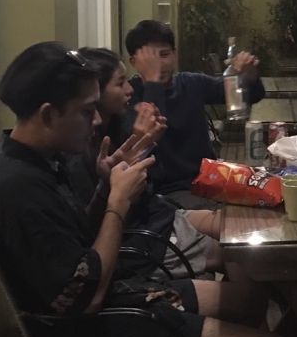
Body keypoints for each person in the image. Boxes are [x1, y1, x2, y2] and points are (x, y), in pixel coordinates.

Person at [0, 42, 293, 337]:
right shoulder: (17, 191)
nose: (97, 120)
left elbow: (79, 242)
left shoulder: (37, 162)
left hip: (120, 300)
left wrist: (105, 186)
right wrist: (117, 203)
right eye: (87, 111)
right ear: (48, 114)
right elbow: (86, 293)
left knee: (247, 297)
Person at [68, 47, 245, 282]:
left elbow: (152, 183)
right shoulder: (80, 146)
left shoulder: (186, 84)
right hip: (145, 236)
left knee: (241, 228)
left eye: (165, 54)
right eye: (120, 83)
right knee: (240, 255)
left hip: (161, 215)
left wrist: (148, 145)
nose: (129, 89)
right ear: (95, 91)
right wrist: (139, 147)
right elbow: (101, 223)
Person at [124, 20, 266, 208]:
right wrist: (153, 82)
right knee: (231, 218)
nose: (159, 65)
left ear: (175, 54)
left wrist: (249, 75)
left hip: (210, 179)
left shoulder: (191, 83)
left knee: (269, 195)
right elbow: (152, 132)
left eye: (164, 55)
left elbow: (252, 95)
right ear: (134, 63)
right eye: (151, 60)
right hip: (166, 192)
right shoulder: (129, 96)